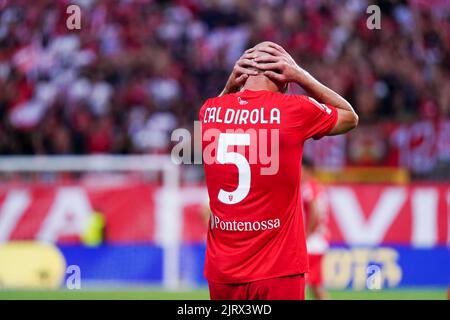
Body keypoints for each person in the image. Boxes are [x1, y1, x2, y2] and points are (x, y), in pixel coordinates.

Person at [199, 41, 358, 300]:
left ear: (242, 75)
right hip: (278, 268)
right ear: (284, 79)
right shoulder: (294, 109)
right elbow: (350, 117)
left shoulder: (209, 111)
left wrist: (229, 86)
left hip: (223, 269)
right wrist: (302, 76)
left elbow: (213, 116)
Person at [301, 157, 330, 300]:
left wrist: (307, 233)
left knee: (300, 284)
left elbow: (314, 211)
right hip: (319, 241)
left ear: (307, 170)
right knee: (316, 286)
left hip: (311, 243)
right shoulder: (317, 187)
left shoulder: (307, 187)